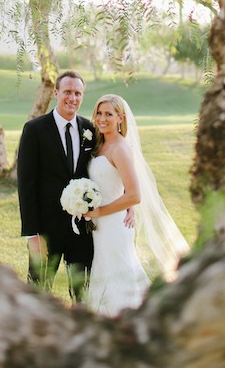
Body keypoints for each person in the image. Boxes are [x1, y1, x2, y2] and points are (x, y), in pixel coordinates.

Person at [83, 94, 190, 316]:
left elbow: (134, 195)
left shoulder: (120, 148)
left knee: (120, 273)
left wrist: (99, 211)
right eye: (99, 113)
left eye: (109, 114)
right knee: (105, 271)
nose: (102, 118)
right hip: (101, 227)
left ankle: (129, 322)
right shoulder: (101, 143)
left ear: (120, 118)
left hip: (113, 225)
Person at [17, 70, 95, 301]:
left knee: (82, 294)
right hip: (46, 230)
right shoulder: (35, 130)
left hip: (81, 231)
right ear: (56, 93)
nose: (72, 98)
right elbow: (26, 184)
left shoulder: (89, 129)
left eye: (78, 93)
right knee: (38, 292)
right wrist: (32, 234)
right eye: (68, 92)